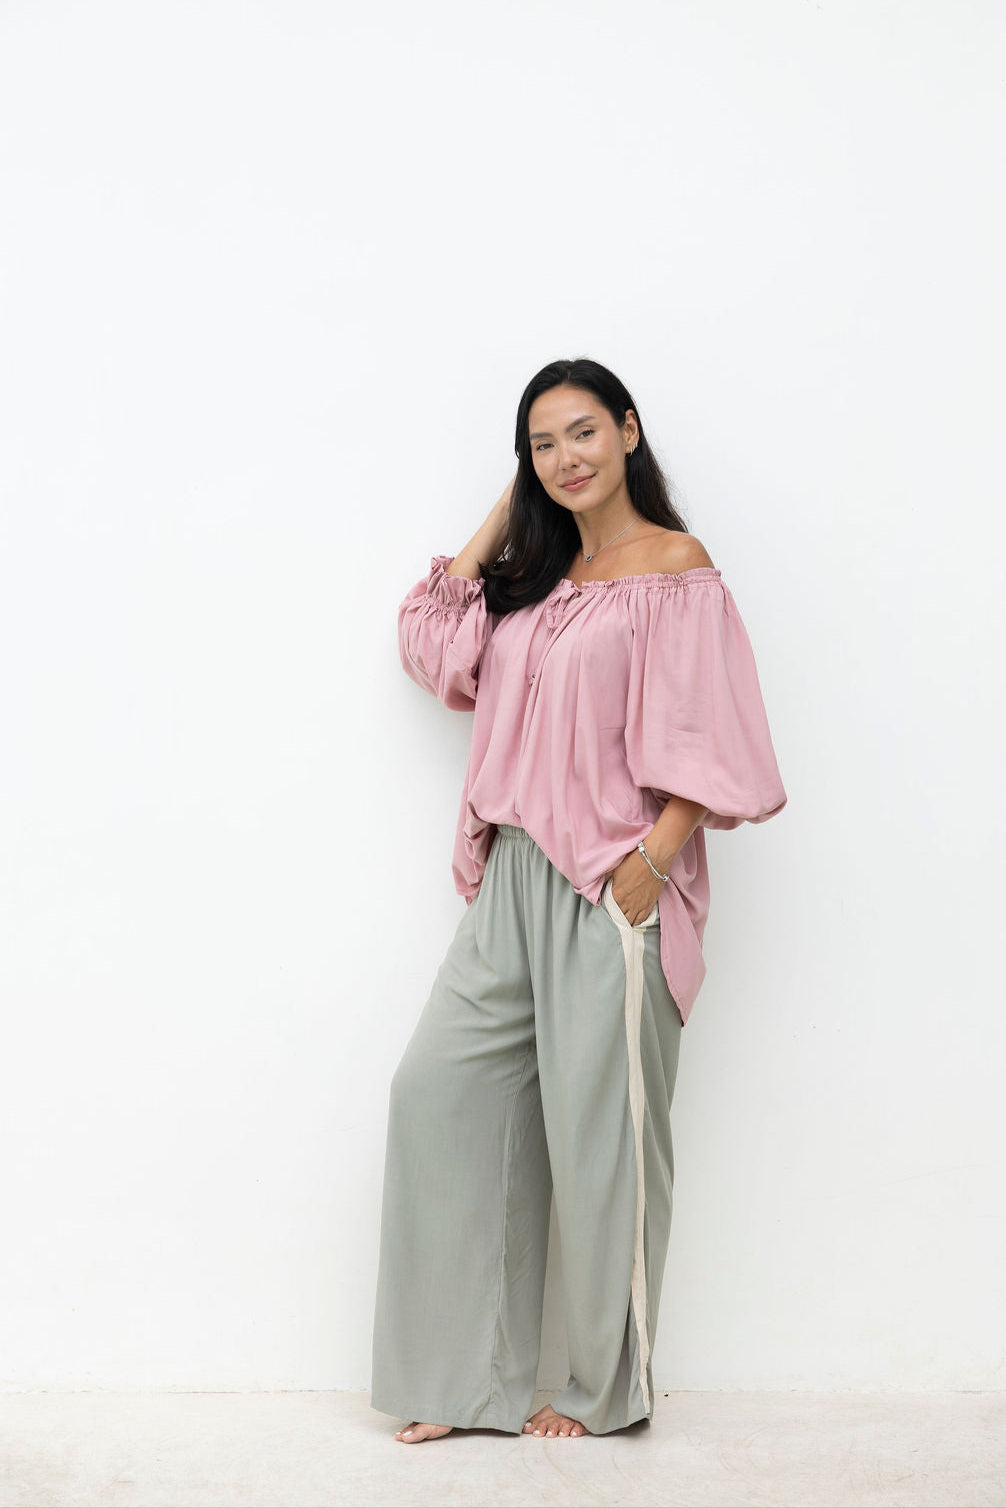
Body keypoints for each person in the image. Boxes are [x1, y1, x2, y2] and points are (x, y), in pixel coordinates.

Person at [370, 356, 787, 1445]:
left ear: (629, 431)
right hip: (507, 878)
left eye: (583, 433)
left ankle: (607, 1390)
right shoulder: (532, 583)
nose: (566, 458)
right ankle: (468, 1380)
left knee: (607, 1147)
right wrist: (511, 504)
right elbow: (428, 636)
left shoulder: (675, 567)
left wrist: (652, 860)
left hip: (610, 883)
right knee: (437, 1097)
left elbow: (710, 730)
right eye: (542, 442)